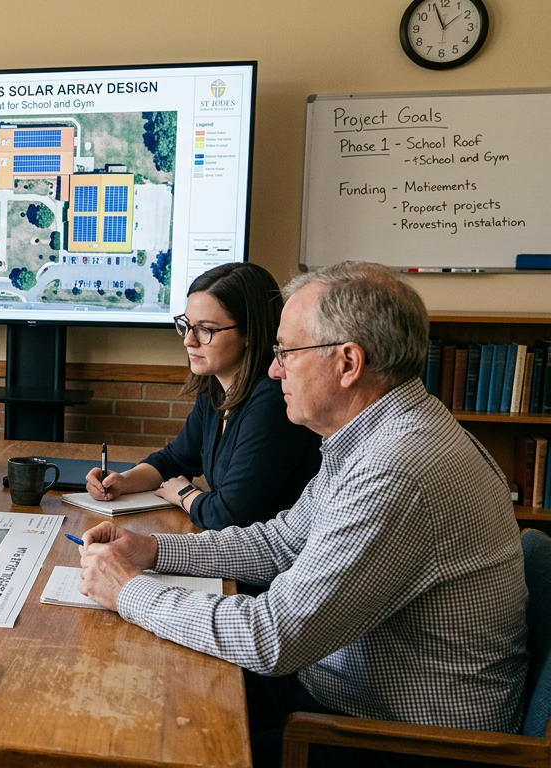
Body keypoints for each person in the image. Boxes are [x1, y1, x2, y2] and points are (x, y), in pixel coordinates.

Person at [77, 261, 527, 768]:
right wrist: (153, 550)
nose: (273, 371)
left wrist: (127, 589)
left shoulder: (395, 469)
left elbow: (271, 637)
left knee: (149, 739)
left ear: (348, 362)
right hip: (338, 691)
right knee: (152, 696)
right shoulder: (375, 435)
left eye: (286, 352)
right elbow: (281, 543)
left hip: (404, 740)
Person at [85, 262, 321, 530]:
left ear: (249, 333)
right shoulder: (216, 391)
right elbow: (175, 460)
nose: (189, 340)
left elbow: (230, 515)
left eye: (206, 329)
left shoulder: (273, 401)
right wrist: (123, 481)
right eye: (187, 325)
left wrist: (185, 494)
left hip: (268, 554)